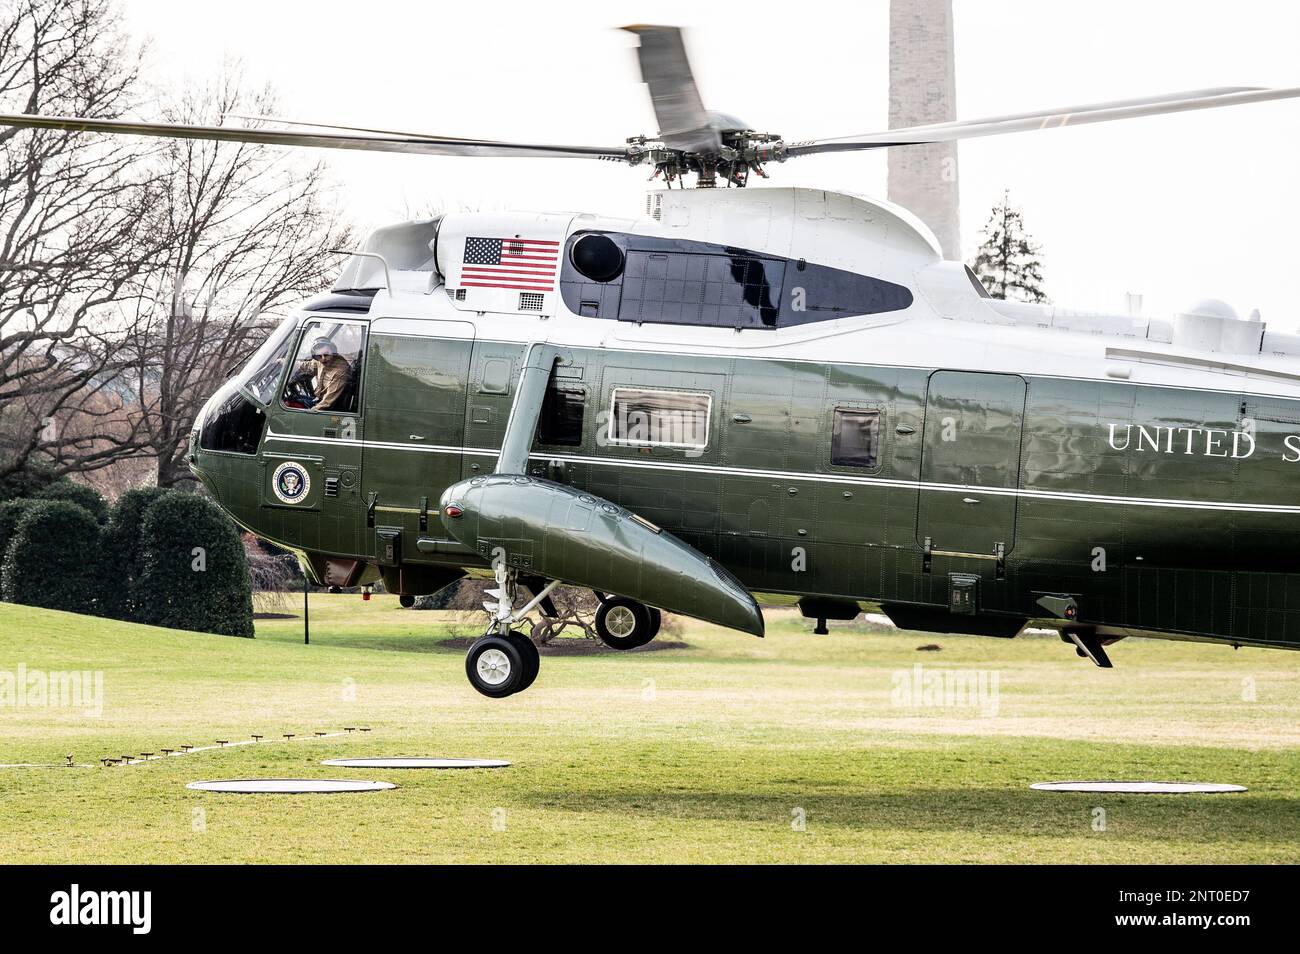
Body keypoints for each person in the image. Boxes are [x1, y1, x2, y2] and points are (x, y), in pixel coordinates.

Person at [299, 337, 352, 412]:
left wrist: (311, 412)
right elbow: (305, 365)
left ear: (333, 352)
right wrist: (284, 363)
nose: (323, 359)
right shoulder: (319, 361)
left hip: (332, 409)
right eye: (319, 356)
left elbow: (327, 402)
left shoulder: (340, 370)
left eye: (326, 355)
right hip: (319, 400)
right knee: (294, 400)